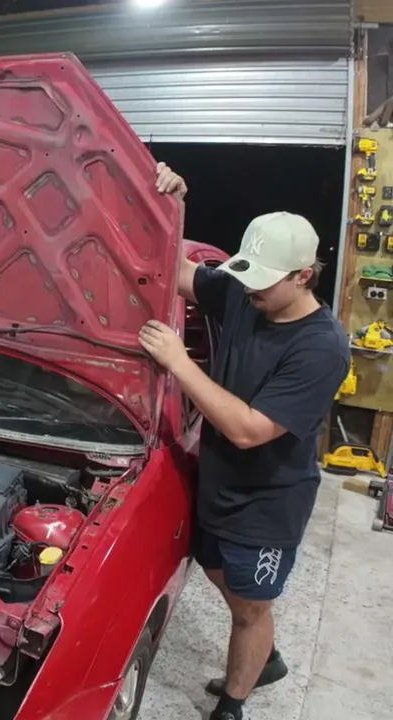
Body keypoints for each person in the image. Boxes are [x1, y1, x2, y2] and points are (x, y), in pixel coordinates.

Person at [143, 163, 350, 720]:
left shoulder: (322, 348)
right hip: (220, 481)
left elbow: (249, 429)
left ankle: (234, 703)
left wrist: (179, 362)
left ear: (303, 276)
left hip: (267, 501)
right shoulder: (245, 292)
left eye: (264, 279)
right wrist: (169, 205)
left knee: (249, 611)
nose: (250, 286)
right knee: (225, 579)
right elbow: (174, 271)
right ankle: (265, 654)